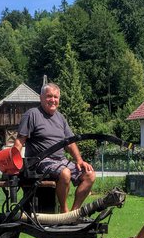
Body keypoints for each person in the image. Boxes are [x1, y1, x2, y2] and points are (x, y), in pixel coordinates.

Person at [13, 82, 95, 213]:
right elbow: (19, 141)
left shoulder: (60, 118)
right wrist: (13, 163)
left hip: (60, 160)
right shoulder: (32, 114)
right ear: (41, 98)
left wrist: (79, 160)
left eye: (56, 97)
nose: (53, 100)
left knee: (89, 175)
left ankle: (74, 213)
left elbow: (70, 142)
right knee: (65, 173)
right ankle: (64, 211)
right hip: (40, 161)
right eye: (49, 96)